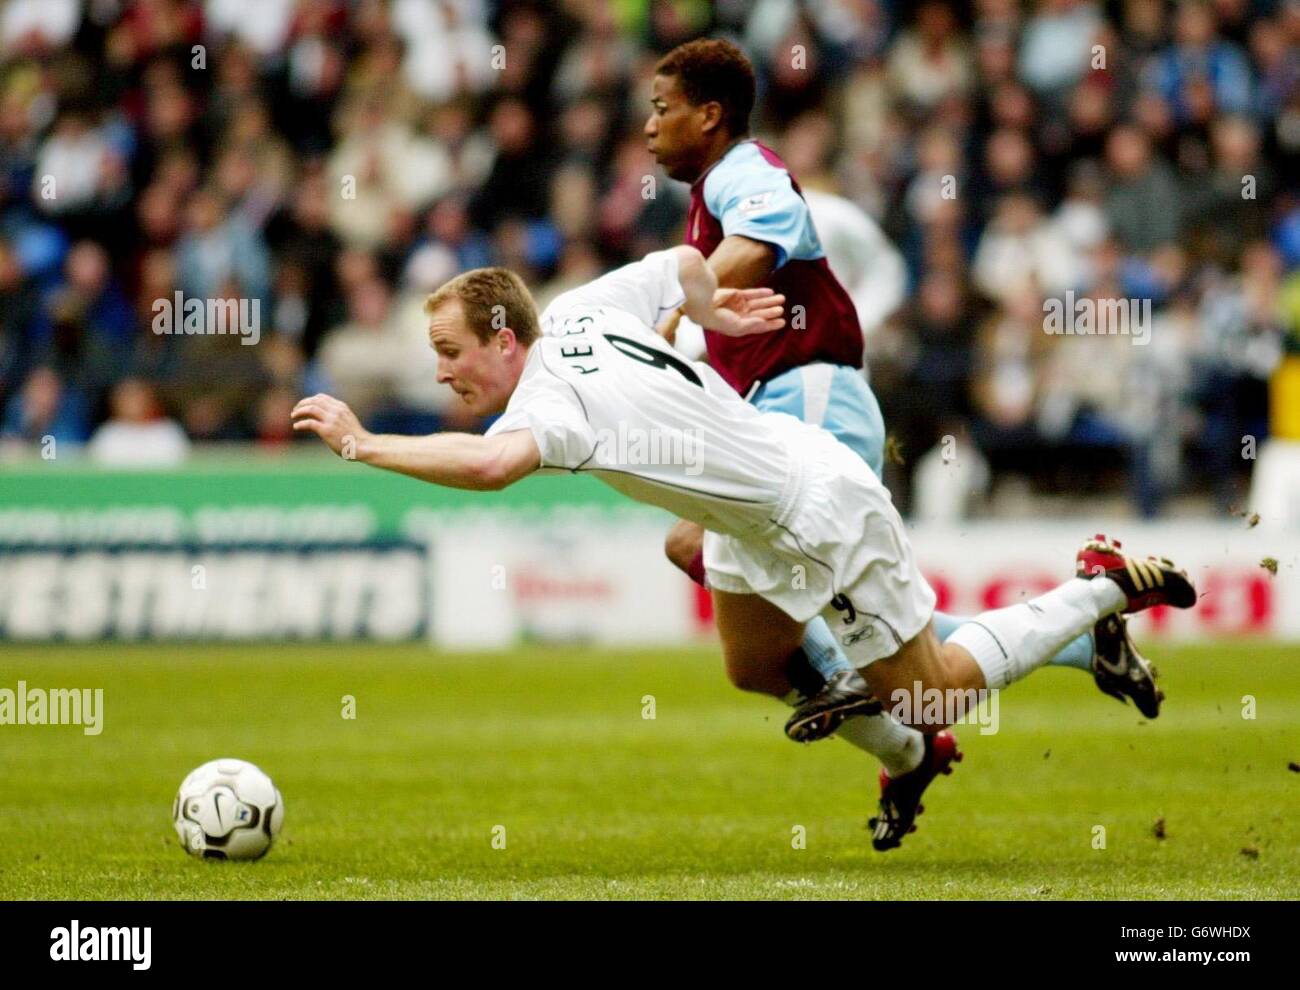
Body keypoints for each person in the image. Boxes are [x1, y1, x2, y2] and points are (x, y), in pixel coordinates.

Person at [291, 247, 1197, 838]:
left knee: (930, 694)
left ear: (501, 336)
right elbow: (684, 263)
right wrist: (711, 314)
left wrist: (364, 444)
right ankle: (908, 761)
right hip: (762, 504)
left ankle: (1097, 591)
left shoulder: (547, 404)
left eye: (449, 349)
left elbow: (491, 469)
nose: (441, 369)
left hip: (814, 514)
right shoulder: (582, 305)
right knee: (755, 661)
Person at [643, 39, 1161, 848]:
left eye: (660, 107)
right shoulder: (712, 194)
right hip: (780, 403)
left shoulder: (743, 172)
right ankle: (1061, 646)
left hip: (809, 396)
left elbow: (768, 234)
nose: (648, 128)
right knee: (754, 616)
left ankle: (917, 722)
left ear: (708, 115)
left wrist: (681, 312)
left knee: (893, 677)